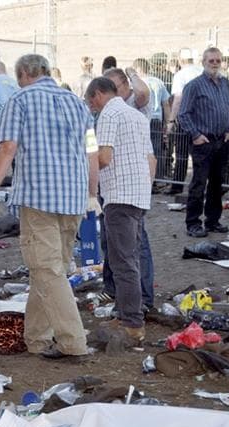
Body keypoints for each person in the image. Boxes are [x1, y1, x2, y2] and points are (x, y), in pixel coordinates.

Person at [0, 54, 98, 360]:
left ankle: (73, 342)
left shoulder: (19, 101)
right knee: (48, 271)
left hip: (39, 198)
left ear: (22, 74)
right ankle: (36, 338)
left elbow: (7, 148)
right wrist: (91, 193)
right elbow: (90, 151)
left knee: (47, 271)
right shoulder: (77, 103)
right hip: (73, 198)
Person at [86, 76, 156, 343]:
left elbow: (103, 157)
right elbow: (150, 158)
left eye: (91, 101)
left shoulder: (109, 114)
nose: (92, 107)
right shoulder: (137, 116)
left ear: (99, 94)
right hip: (138, 193)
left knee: (123, 261)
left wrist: (88, 174)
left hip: (119, 194)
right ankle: (128, 312)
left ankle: (132, 323)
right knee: (129, 258)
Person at [178, 47, 229, 237]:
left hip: (222, 140)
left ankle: (213, 221)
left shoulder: (226, 84)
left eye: (218, 60)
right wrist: (195, 135)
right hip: (203, 142)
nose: (215, 64)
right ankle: (193, 223)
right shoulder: (194, 85)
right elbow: (183, 114)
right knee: (199, 184)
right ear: (203, 62)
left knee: (218, 183)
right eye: (211, 61)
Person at [167, 51, 203, 195]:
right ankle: (198, 187)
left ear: (180, 60)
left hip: (185, 119)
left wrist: (171, 120)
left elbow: (178, 98)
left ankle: (177, 186)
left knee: (181, 154)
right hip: (202, 119)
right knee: (199, 156)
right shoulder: (202, 72)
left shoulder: (180, 75)